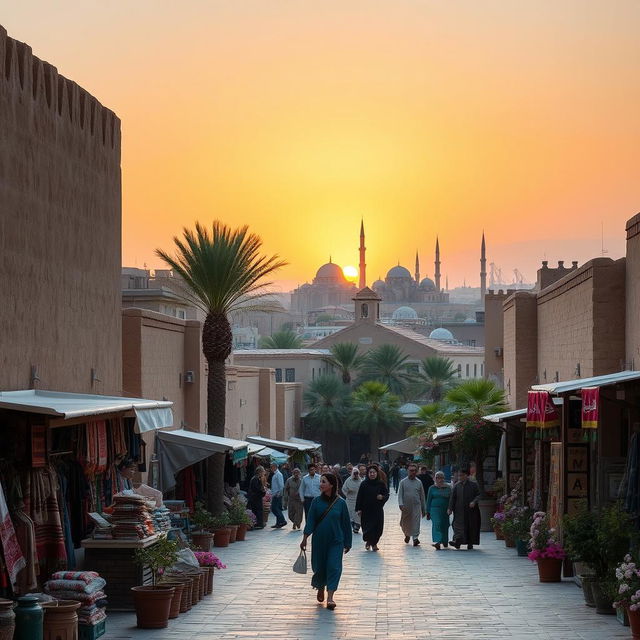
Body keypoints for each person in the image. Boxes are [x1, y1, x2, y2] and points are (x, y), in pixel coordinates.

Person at [300, 473, 352, 611]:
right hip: (319, 541)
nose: (321, 484)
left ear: (331, 484)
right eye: (321, 481)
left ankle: (330, 597)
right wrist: (305, 538)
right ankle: (320, 586)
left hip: (336, 540)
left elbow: (346, 524)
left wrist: (348, 542)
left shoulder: (341, 503)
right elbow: (310, 520)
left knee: (334, 566)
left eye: (323, 482)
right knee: (319, 566)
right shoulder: (316, 502)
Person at [355, 465, 389, 551]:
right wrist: (359, 509)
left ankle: (374, 543)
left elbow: (386, 495)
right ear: (368, 473)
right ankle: (369, 542)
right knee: (368, 528)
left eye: (374, 472)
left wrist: (382, 497)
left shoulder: (381, 484)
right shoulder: (364, 484)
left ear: (377, 473)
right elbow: (360, 497)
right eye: (370, 472)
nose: (372, 474)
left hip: (377, 510)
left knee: (378, 528)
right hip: (366, 510)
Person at [447, 464, 481, 549]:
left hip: (471, 511)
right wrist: (450, 508)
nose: (459, 477)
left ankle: (470, 542)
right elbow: (452, 498)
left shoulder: (473, 485)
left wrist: (474, 502)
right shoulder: (456, 486)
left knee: (470, 526)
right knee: (457, 525)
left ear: (466, 475)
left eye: (461, 475)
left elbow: (479, 495)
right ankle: (457, 541)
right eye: (458, 475)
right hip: (458, 511)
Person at [398, 463, 426, 546]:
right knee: (405, 522)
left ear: (417, 471)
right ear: (408, 471)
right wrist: (401, 504)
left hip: (416, 506)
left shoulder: (419, 482)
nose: (412, 472)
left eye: (414, 471)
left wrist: (424, 509)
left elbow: (422, 496)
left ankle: (415, 538)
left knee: (416, 522)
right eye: (411, 470)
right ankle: (407, 535)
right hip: (406, 506)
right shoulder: (403, 482)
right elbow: (400, 495)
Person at [426, 471, 452, 550]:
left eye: (441, 477)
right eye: (437, 478)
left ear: (444, 478)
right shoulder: (432, 488)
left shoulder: (448, 488)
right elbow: (429, 500)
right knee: (437, 523)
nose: (439, 479)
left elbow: (451, 499)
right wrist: (428, 511)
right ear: (435, 479)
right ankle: (438, 541)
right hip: (434, 509)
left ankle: (444, 541)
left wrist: (450, 508)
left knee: (445, 525)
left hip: (445, 509)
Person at [342, 467, 363, 533]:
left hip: (358, 500)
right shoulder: (348, 480)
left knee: (357, 514)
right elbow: (344, 489)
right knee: (350, 513)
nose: (356, 475)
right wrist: (348, 492)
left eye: (357, 474)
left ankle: (357, 527)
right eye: (355, 473)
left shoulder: (361, 481)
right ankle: (352, 525)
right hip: (350, 500)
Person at [269, 462, 287, 528]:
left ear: (275, 467)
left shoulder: (278, 474)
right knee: (277, 508)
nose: (271, 468)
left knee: (274, 508)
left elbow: (281, 485)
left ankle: (283, 521)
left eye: (271, 467)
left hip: (277, 494)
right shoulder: (275, 474)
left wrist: (279, 493)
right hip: (275, 494)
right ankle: (278, 523)